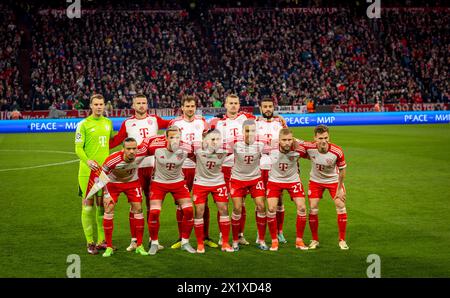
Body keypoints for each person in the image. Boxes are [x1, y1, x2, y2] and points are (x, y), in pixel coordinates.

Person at [109, 94, 170, 251]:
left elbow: (172, 124)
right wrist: (100, 146)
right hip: (135, 168)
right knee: (134, 205)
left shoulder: (155, 120)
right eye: (138, 103)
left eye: (144, 102)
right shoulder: (128, 123)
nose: (141, 105)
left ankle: (152, 239)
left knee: (152, 204)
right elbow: (117, 141)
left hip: (154, 166)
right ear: (133, 105)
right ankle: (134, 240)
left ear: (147, 104)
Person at [168, 96, 218, 249]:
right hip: (181, 167)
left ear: (195, 107)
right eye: (187, 106)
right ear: (182, 107)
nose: (190, 108)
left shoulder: (201, 122)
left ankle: (205, 236)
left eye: (192, 106)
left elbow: (209, 141)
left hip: (199, 167)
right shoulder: (175, 123)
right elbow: (170, 143)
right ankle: (182, 238)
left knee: (203, 203)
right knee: (180, 204)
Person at [209, 94, 256, 246]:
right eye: (231, 103)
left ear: (239, 104)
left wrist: (278, 117)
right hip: (224, 167)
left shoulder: (245, 118)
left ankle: (240, 234)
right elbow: (207, 136)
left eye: (236, 103)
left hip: (242, 167)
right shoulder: (218, 122)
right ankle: (223, 234)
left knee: (240, 203)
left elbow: (262, 120)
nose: (234, 106)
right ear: (225, 104)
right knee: (223, 203)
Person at [144, 126, 196, 255]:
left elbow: (198, 159)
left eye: (177, 137)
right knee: (154, 212)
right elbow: (138, 155)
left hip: (178, 183)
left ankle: (185, 242)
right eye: (171, 137)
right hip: (159, 183)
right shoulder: (155, 148)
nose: (174, 140)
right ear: (166, 138)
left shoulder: (187, 149)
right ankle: (154, 243)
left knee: (189, 210)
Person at [75, 94, 114, 255]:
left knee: (102, 208)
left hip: (104, 172)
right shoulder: (83, 124)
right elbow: (78, 148)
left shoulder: (108, 123)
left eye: (101, 104)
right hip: (87, 173)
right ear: (90, 106)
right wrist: (88, 161)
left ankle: (101, 241)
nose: (99, 107)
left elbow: (111, 142)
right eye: (96, 104)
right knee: (88, 207)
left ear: (105, 105)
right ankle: (89, 242)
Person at [301, 125, 349, 250]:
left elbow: (343, 171)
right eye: (320, 138)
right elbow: (294, 141)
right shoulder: (309, 147)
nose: (323, 141)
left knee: (340, 205)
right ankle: (315, 239)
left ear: (329, 137)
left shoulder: (337, 151)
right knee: (312, 207)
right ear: (315, 138)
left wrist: (339, 189)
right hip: (316, 181)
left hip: (334, 181)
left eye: (326, 138)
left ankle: (342, 240)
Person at [101, 138, 149, 257]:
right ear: (123, 149)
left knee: (138, 209)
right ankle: (109, 247)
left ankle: (139, 245)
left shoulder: (141, 153)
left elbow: (152, 144)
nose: (132, 151)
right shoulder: (113, 160)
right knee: (108, 209)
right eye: (128, 149)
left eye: (134, 148)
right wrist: (106, 195)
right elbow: (100, 176)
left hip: (132, 183)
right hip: (113, 184)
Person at [190, 129, 234, 253]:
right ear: (206, 140)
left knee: (224, 210)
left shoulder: (225, 151)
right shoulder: (197, 151)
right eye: (212, 139)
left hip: (218, 183)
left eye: (218, 139)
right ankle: (200, 244)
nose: (215, 142)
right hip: (200, 183)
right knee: (199, 211)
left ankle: (225, 242)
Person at [229, 120, 270, 251]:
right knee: (237, 208)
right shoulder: (234, 144)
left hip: (255, 179)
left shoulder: (261, 144)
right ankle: (235, 240)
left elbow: (280, 145)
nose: (249, 133)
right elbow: (216, 146)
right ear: (242, 132)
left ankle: (262, 240)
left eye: (252, 131)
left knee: (261, 206)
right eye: (247, 131)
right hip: (237, 179)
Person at [266, 128, 309, 251]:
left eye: (290, 139)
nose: (287, 142)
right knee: (271, 208)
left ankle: (299, 240)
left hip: (293, 180)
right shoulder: (270, 147)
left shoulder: (298, 148)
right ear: (279, 140)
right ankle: (274, 241)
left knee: (302, 207)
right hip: (275, 180)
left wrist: (299, 141)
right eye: (284, 140)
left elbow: (311, 147)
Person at [256, 97, 288, 244]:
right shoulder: (255, 123)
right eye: (265, 106)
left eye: (270, 106)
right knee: (260, 201)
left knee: (279, 200)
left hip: (276, 165)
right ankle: (260, 233)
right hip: (261, 165)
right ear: (260, 108)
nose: (268, 109)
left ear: (273, 108)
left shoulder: (280, 123)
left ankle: (279, 232)